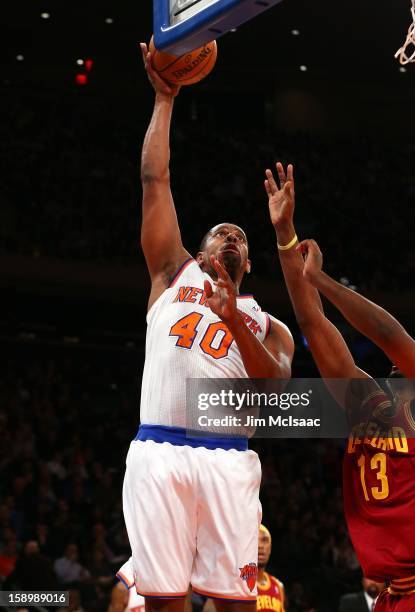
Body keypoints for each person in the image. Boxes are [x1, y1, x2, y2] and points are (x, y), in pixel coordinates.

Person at [121, 44, 294, 612]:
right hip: (160, 449)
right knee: (164, 603)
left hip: (227, 457)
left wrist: (233, 323)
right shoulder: (172, 273)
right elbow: (154, 179)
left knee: (236, 605)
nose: (233, 235)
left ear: (249, 265)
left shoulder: (268, 325)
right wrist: (165, 99)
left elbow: (276, 396)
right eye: (223, 231)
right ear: (199, 250)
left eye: (242, 237)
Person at [264, 162, 415, 611]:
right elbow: (311, 322)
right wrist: (286, 239)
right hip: (393, 594)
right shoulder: (368, 403)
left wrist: (322, 280)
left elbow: (390, 337)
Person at [256, 525, 285, 612]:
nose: (260, 546)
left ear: (270, 549)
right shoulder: (237, 583)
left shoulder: (278, 586)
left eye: (264, 540)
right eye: (254, 540)